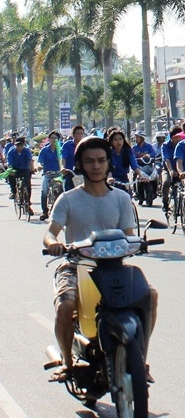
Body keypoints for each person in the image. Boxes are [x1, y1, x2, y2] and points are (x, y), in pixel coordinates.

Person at [43, 136, 158, 383]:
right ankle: (67, 362)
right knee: (65, 307)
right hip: (76, 265)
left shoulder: (121, 198)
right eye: (90, 161)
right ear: (80, 165)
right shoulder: (68, 199)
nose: (96, 166)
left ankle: (141, 359)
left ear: (109, 163)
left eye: (101, 160)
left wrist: (137, 244)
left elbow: (129, 236)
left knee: (150, 296)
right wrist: (54, 244)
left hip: (114, 266)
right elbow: (50, 232)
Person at [38, 130, 63, 221]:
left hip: (59, 174)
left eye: (56, 138)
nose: (53, 140)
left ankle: (61, 211)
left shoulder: (61, 149)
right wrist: (40, 167)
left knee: (63, 191)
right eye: (52, 138)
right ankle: (44, 211)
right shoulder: (44, 150)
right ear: (49, 139)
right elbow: (40, 162)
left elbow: (64, 160)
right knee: (44, 191)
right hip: (47, 174)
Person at [8, 136, 36, 214]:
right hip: (15, 169)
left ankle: (28, 203)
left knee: (28, 186)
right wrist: (10, 170)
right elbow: (9, 162)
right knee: (10, 176)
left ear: (23, 145)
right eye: (17, 145)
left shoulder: (26, 151)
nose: (19, 147)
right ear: (15, 145)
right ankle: (13, 192)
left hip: (25, 169)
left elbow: (30, 160)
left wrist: (32, 169)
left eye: (20, 145)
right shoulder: (11, 151)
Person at [160, 126, 185, 212]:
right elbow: (166, 159)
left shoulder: (183, 145)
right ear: (171, 137)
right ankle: (165, 203)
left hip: (181, 170)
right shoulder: (165, 146)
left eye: (180, 136)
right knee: (166, 182)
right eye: (176, 137)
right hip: (168, 169)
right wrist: (171, 170)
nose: (178, 139)